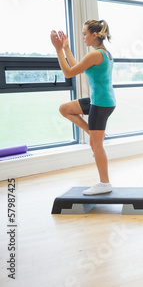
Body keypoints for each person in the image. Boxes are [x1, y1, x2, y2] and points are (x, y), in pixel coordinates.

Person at [50, 20, 116, 195]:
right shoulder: (102, 53)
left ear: (94, 35)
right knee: (65, 109)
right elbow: (77, 67)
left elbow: (69, 72)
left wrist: (57, 50)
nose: (83, 37)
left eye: (85, 33)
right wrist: (65, 48)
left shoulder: (96, 55)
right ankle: (96, 137)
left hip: (101, 103)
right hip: (101, 100)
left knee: (96, 145)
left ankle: (104, 183)